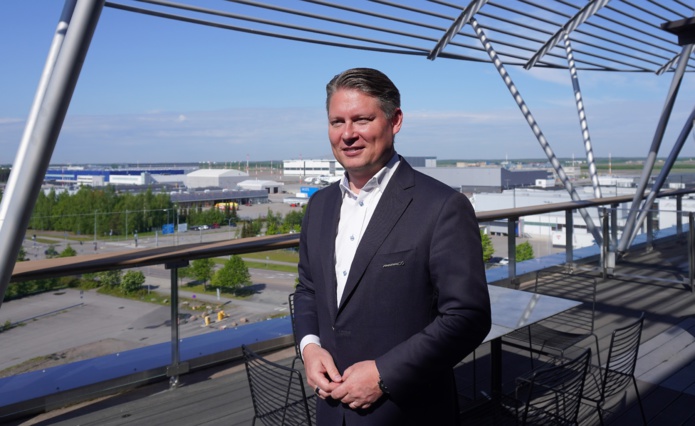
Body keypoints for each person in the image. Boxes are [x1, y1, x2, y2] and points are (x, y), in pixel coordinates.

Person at [294, 67, 491, 425]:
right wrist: (309, 346)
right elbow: (308, 289)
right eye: (337, 122)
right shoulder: (319, 205)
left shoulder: (441, 207)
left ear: (395, 120)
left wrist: (384, 374)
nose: (348, 134)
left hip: (406, 412)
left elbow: (468, 317)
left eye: (362, 119)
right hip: (330, 411)